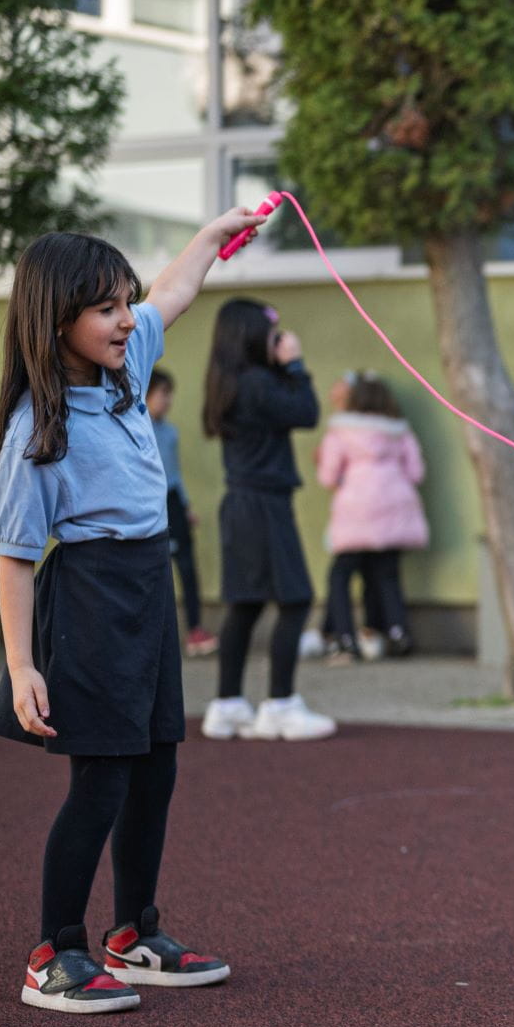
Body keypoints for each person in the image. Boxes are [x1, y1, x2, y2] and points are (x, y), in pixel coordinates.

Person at [0, 215, 265, 1012]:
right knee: (102, 778)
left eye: (124, 303)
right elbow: (14, 555)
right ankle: (55, 950)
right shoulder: (34, 429)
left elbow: (174, 291)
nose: (126, 318)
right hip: (90, 596)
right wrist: (20, 665)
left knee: (156, 768)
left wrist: (215, 235)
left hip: (150, 583)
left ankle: (133, 933)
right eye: (105, 308)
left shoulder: (125, 365)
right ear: (56, 320)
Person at [198, 298, 336, 741]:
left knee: (246, 602)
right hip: (264, 505)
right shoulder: (257, 382)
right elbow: (307, 412)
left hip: (240, 503)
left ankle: (227, 704)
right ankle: (280, 705)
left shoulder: (230, 382)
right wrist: (294, 364)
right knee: (295, 600)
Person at [316, 371, 427, 661]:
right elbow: (416, 472)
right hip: (395, 504)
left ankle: (344, 638)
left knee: (340, 574)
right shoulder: (399, 429)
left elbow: (328, 475)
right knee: (387, 573)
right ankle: (398, 632)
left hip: (356, 506)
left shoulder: (340, 430)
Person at [146, 366, 219, 657]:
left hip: (172, 499)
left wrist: (186, 506)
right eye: (163, 394)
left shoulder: (170, 432)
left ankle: (195, 630)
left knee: (187, 568)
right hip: (150, 504)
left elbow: (174, 473)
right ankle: (152, 634)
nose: (168, 400)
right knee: (153, 571)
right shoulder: (138, 428)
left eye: (169, 394)